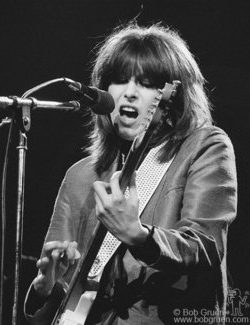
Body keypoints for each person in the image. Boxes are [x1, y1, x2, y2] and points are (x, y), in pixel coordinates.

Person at [24, 23, 237, 325]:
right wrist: (45, 287)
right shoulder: (80, 176)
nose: (130, 93)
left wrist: (139, 237)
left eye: (147, 83)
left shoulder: (204, 146)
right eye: (120, 80)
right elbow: (64, 305)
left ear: (173, 96)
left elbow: (205, 245)